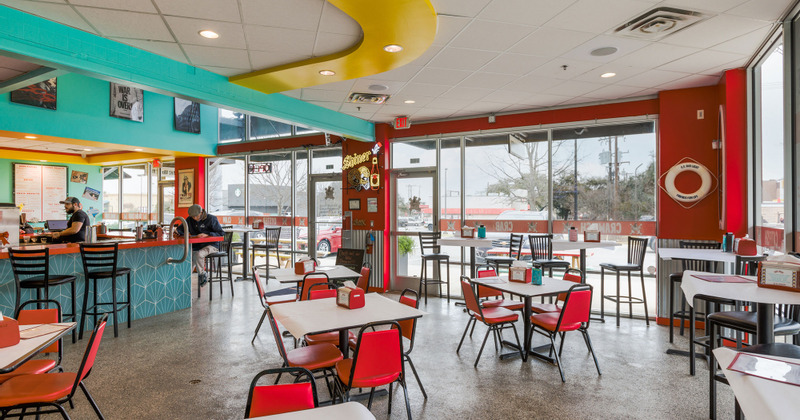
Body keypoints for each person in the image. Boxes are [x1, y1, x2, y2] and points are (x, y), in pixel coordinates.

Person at [175, 204, 224, 287]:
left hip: (212, 245)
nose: (194, 218)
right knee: (189, 259)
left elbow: (221, 233)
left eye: (196, 216)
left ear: (201, 212)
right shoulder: (189, 219)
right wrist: (179, 232)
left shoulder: (211, 219)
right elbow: (180, 230)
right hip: (197, 246)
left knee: (198, 254)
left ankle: (202, 274)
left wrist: (207, 234)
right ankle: (184, 284)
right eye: (192, 217)